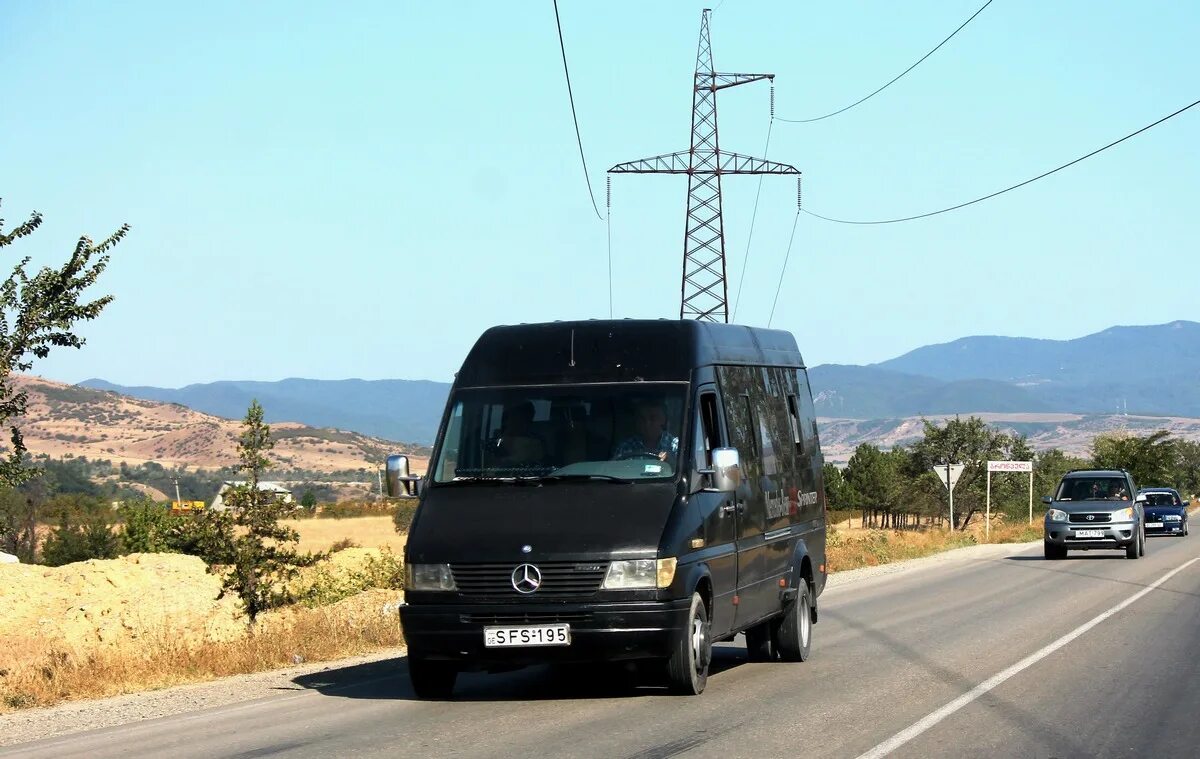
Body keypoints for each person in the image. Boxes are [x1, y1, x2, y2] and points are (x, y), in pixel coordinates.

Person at [612, 401, 678, 462]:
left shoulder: (675, 446)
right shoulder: (626, 447)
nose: (647, 423)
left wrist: (671, 462)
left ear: (663, 420)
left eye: (653, 418)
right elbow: (613, 470)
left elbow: (683, 470)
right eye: (642, 418)